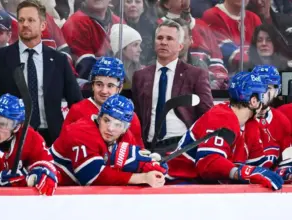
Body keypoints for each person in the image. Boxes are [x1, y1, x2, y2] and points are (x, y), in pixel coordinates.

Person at [0, 0, 83, 146]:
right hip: (11, 137)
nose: (25, 24)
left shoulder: (59, 60)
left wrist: (73, 134)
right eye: (21, 20)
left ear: (43, 25)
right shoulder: (0, 57)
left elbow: (76, 103)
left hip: (52, 138)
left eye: (31, 20)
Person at [166, 71, 283, 190]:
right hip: (179, 183)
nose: (264, 102)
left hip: (206, 186)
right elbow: (209, 164)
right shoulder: (220, 117)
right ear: (253, 101)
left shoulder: (251, 124)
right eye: (262, 96)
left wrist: (282, 172)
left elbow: (258, 168)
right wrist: (243, 172)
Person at [51, 94, 167, 187]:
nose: (110, 128)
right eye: (106, 120)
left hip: (77, 194)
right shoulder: (81, 132)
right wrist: (143, 177)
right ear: (99, 117)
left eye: (118, 124)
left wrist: (148, 166)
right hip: (53, 190)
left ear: (125, 128)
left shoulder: (126, 136)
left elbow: (131, 161)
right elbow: (92, 176)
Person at [132, 19, 213, 150]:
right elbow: (137, 116)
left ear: (180, 46)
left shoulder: (196, 75)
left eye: (169, 39)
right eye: (160, 38)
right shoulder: (140, 76)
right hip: (148, 146)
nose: (163, 42)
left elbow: (207, 114)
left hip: (182, 146)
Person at [63, 57, 144, 146]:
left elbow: (138, 150)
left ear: (119, 88)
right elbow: (64, 144)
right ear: (92, 85)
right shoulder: (77, 110)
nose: (104, 91)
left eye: (110, 86)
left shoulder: (130, 116)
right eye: (99, 84)